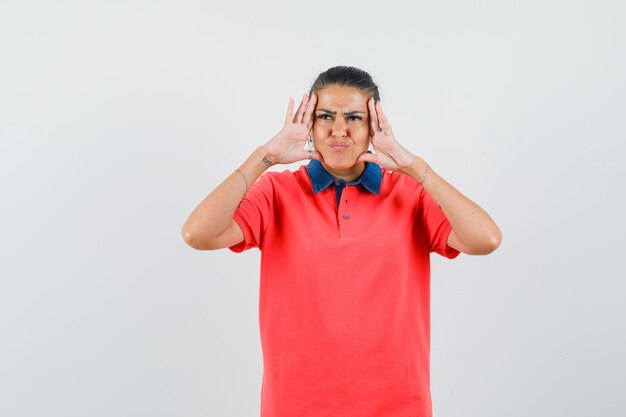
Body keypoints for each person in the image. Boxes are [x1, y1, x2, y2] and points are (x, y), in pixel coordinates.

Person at [181, 66, 502, 417]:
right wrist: (266, 156)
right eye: (325, 117)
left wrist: (415, 168)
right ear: (309, 126)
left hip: (399, 406)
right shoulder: (277, 193)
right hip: (295, 407)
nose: (339, 130)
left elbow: (485, 239)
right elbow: (199, 233)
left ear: (374, 128)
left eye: (354, 118)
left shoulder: (410, 194)